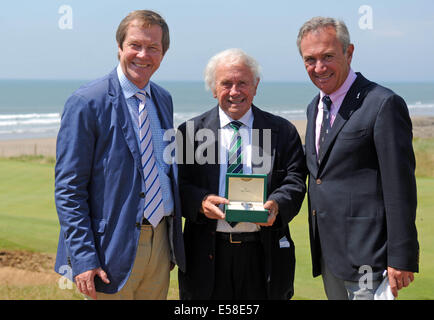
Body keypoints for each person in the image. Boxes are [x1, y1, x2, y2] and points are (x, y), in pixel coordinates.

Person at [54, 10, 185, 300]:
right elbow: (68, 190)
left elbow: (162, 169)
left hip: (161, 244)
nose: (143, 54)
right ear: (119, 47)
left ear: (163, 53)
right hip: (109, 249)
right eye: (135, 45)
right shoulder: (86, 102)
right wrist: (84, 257)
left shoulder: (163, 99)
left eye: (153, 47)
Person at [297, 16, 419, 300]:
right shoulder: (314, 107)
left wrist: (401, 256)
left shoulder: (383, 104)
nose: (319, 67)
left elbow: (400, 186)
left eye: (328, 56)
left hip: (370, 259)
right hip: (328, 256)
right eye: (310, 59)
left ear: (349, 52)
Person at [177, 48, 306, 299]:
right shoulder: (189, 133)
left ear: (255, 86)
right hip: (206, 254)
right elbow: (176, 185)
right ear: (214, 88)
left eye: (242, 83)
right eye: (226, 84)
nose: (235, 92)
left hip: (263, 253)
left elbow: (296, 180)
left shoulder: (283, 131)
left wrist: (278, 204)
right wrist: (200, 201)